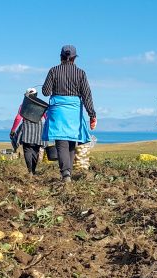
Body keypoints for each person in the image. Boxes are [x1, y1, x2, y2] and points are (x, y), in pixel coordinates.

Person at [42, 44, 96, 182]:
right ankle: (68, 173)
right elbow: (87, 95)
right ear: (74, 58)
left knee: (61, 142)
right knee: (72, 142)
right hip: (74, 112)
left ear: (61, 57)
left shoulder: (53, 71)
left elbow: (45, 92)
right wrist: (92, 114)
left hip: (58, 111)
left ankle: (66, 173)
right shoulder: (81, 73)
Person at [10, 88, 46, 174]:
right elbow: (46, 117)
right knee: (36, 150)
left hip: (27, 127)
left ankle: (30, 170)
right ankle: (33, 170)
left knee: (27, 149)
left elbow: (18, 118)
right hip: (39, 128)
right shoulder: (41, 105)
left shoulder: (23, 105)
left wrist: (13, 129)